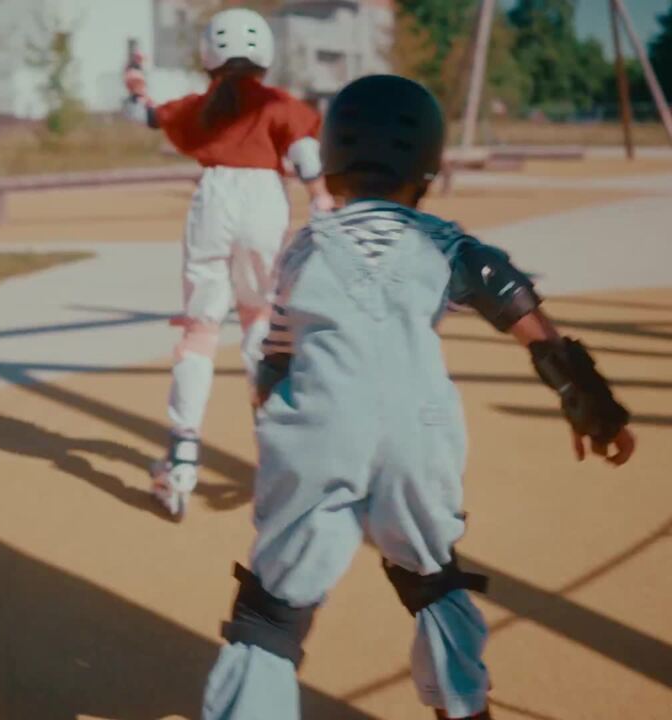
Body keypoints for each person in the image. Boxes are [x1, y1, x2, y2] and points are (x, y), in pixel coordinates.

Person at [201, 75, 635, 720]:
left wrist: (274, 425)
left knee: (274, 610)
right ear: (427, 167)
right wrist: (587, 398)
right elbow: (520, 311)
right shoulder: (444, 241)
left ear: (335, 161)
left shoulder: (306, 248)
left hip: (317, 427)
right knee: (432, 578)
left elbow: (275, 360)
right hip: (417, 432)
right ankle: (462, 705)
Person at [123, 9, 333, 520]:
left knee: (200, 331)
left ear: (209, 56)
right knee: (260, 325)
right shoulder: (279, 103)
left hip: (213, 199)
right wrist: (321, 199)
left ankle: (181, 461)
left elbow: (142, 114)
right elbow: (306, 154)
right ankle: (279, 457)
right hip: (265, 202)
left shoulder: (203, 104)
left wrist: (133, 82)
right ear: (264, 54)